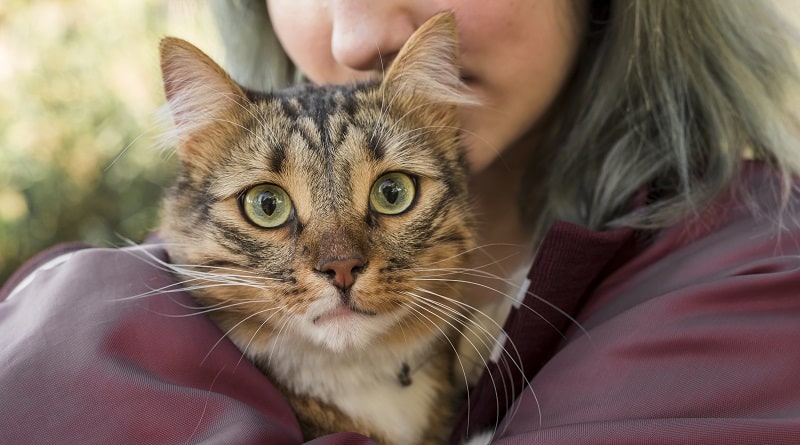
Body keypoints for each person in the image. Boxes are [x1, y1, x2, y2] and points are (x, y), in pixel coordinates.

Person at [2, 0, 800, 444]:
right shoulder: (96, 322)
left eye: (391, 194)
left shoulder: (756, 276)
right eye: (269, 205)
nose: (356, 36)